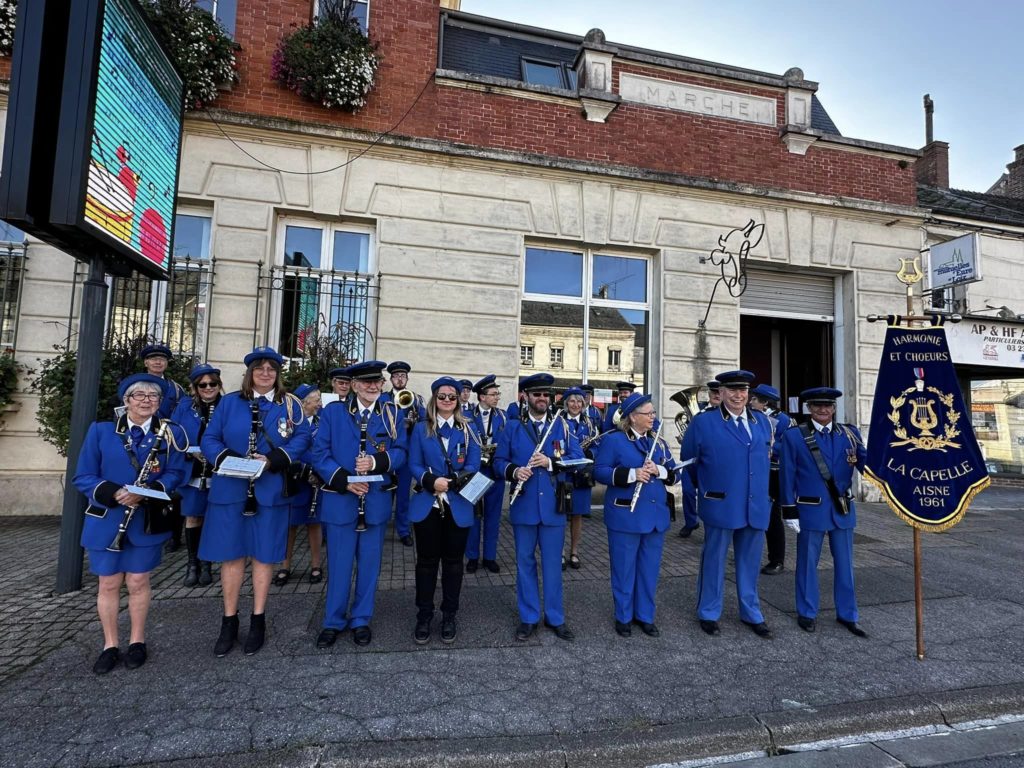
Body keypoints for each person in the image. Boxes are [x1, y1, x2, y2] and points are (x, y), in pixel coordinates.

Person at [199, 347, 311, 657]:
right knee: (232, 557)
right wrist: (228, 460)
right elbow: (210, 438)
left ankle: (258, 619)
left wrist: (273, 458)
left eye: (271, 369)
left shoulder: (288, 405)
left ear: (278, 373)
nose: (265, 373)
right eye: (259, 368)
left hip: (269, 488)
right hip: (231, 489)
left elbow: (302, 437)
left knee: (264, 556)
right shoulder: (230, 403)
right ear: (250, 372)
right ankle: (229, 621)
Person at [73, 373, 187, 674]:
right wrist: (116, 493)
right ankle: (110, 644)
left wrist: (146, 493)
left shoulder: (169, 434)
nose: (146, 400)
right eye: (139, 395)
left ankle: (137, 640)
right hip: (108, 517)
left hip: (143, 519)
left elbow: (176, 473)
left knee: (138, 581)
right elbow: (83, 476)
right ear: (126, 401)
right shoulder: (101, 431)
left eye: (153, 396)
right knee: (108, 583)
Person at [312, 361, 407, 648]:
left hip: (375, 501)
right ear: (353, 385)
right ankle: (333, 621)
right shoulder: (333, 412)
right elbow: (319, 453)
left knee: (369, 566)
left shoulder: (392, 413)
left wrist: (377, 461)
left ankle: (361, 619)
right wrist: (344, 481)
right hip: (342, 499)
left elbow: (401, 451)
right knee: (339, 565)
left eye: (377, 381)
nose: (373, 386)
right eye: (366, 382)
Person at [681, 369, 773, 638]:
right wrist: (710, 488)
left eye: (742, 390)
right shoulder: (703, 423)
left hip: (754, 504)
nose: (738, 395)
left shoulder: (762, 422)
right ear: (720, 393)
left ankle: (751, 612)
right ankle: (709, 612)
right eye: (732, 390)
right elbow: (691, 462)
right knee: (714, 560)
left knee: (750, 561)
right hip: (720, 502)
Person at [494, 372, 582, 642]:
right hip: (524, 507)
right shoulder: (512, 427)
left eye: (546, 395)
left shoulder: (562, 427)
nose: (542, 399)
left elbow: (578, 458)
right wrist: (514, 472)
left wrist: (551, 463)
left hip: (553, 508)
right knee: (524, 563)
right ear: (526, 397)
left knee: (553, 565)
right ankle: (529, 617)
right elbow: (498, 462)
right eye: (536, 394)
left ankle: (555, 617)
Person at [779, 387, 868, 637]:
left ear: (834, 407)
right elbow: (787, 475)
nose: (823, 410)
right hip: (810, 509)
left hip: (842, 509)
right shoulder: (794, 436)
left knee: (846, 566)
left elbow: (867, 464)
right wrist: (789, 510)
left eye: (828, 405)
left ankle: (848, 614)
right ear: (809, 408)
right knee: (807, 564)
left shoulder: (849, 434)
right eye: (817, 405)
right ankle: (807, 612)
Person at [595, 392, 677, 637]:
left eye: (653, 412)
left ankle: (645, 616)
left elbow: (676, 473)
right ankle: (623, 616)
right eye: (647, 413)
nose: (653, 417)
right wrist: (632, 474)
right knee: (624, 569)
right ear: (632, 416)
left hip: (654, 517)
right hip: (625, 516)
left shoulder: (659, 442)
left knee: (649, 570)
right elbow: (599, 471)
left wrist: (660, 470)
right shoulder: (615, 440)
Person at [408, 377, 482, 643]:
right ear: (434, 399)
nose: (448, 401)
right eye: (442, 396)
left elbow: (474, 463)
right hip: (428, 503)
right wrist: (430, 481)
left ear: (459, 399)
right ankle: (424, 615)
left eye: (452, 396)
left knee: (453, 565)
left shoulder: (468, 428)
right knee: (426, 564)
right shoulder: (420, 429)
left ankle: (449, 614)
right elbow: (413, 463)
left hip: (457, 503)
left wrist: (453, 481)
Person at [171, 363, 223, 588]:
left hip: (218, 470)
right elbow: (174, 435)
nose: (208, 388)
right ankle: (193, 564)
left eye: (213, 384)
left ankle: (208, 563)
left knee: (211, 517)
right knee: (193, 517)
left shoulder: (227, 405)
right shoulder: (184, 406)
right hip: (192, 469)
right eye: (203, 385)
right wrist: (192, 452)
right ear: (195, 387)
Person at [275, 383, 325, 586]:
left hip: (316, 482)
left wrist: (318, 473)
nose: (320, 404)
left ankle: (316, 565)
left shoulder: (323, 423)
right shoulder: (289, 422)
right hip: (295, 480)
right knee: (290, 526)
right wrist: (305, 469)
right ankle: (284, 566)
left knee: (314, 524)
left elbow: (325, 448)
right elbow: (284, 448)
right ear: (304, 403)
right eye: (317, 400)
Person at [141, 343, 187, 551]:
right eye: (153, 359)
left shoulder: (176, 389)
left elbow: (183, 415)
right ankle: (142, 529)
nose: (158, 362)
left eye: (162, 359)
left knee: (171, 484)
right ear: (146, 362)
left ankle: (173, 535)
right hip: (142, 439)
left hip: (168, 440)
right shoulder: (137, 385)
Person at [749, 383, 793, 575]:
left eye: (754, 400)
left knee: (773, 517)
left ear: (765, 402)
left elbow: (789, 447)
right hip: (754, 472)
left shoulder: (784, 420)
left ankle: (777, 559)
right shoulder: (752, 418)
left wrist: (767, 446)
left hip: (773, 473)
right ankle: (751, 554)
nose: (750, 402)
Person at [465, 374, 507, 574]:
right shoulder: (466, 415)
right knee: (474, 517)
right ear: (482, 397)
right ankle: (472, 556)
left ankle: (489, 556)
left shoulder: (503, 416)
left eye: (497, 393)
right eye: (493, 394)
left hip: (495, 473)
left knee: (493, 516)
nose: (497, 397)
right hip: (475, 473)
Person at [385, 360, 423, 547]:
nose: (399, 379)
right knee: (384, 491)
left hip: (407, 452)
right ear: (390, 379)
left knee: (402, 494)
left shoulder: (416, 400)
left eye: (403, 376)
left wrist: (414, 423)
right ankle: (379, 525)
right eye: (396, 376)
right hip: (386, 452)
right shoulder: (383, 399)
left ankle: (403, 530)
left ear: (407, 379)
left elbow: (425, 423)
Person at [559, 387, 597, 570]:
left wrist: (590, 452)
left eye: (579, 402)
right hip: (564, 473)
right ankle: (559, 552)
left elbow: (598, 445)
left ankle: (574, 552)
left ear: (584, 404)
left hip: (582, 475)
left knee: (577, 515)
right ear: (566, 403)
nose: (575, 405)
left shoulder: (590, 423)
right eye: (572, 401)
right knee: (560, 514)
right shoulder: (558, 422)